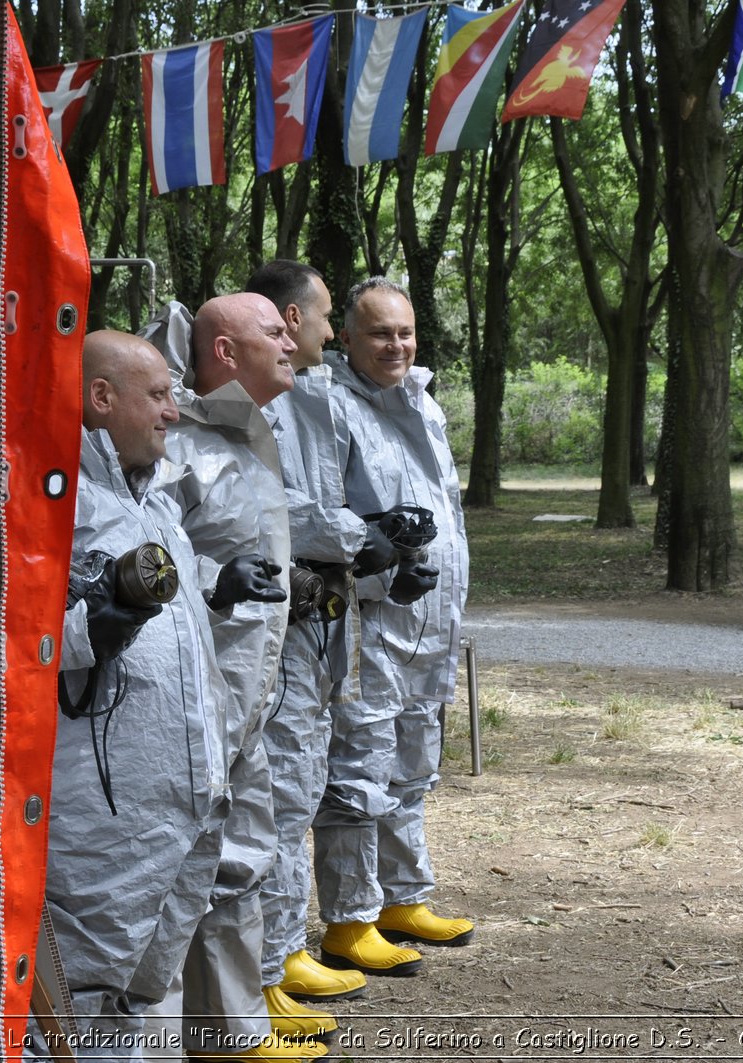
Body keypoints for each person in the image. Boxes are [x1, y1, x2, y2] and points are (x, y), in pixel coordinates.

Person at [35, 330, 231, 1063]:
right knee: (80, 997)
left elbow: (172, 632)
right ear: (101, 397)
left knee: (136, 996)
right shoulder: (48, 499)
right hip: (102, 823)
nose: (173, 413)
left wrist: (217, 589)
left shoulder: (154, 504)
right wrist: (90, 630)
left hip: (182, 807)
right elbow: (4, 636)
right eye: (158, 395)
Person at [145, 293, 323, 1063]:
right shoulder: (177, 443)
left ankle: (231, 1033)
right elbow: (142, 552)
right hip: (190, 707)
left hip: (249, 698)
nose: (290, 343)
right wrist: (216, 577)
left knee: (243, 854)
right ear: (224, 352)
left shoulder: (252, 436)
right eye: (274, 333)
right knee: (181, 869)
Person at [244, 262, 397, 1030]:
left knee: (303, 783)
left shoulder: (311, 398)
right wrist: (354, 535)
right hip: (275, 624)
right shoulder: (255, 406)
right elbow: (275, 507)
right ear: (288, 319)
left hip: (315, 616)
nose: (333, 333)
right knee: (273, 797)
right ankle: (263, 969)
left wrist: (378, 539)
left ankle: (282, 949)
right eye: (328, 315)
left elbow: (324, 499)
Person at [312, 278, 473, 978]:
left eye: (404, 332)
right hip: (368, 623)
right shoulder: (328, 408)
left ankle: (400, 897)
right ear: (347, 338)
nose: (396, 345)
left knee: (415, 761)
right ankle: (348, 919)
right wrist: (380, 578)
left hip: (432, 623)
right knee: (359, 767)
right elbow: (319, 526)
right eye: (380, 333)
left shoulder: (426, 405)